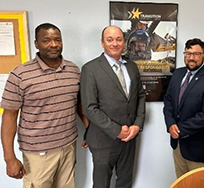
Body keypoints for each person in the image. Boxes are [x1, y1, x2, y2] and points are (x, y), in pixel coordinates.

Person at [1, 23, 88, 188]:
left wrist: (89, 129)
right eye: (46, 40)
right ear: (36, 43)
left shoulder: (73, 70)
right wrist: (9, 158)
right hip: (38, 153)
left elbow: (78, 104)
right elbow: (9, 116)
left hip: (68, 146)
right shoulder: (20, 75)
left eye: (57, 40)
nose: (53, 44)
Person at [80, 25, 146, 188]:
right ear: (102, 43)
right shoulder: (90, 69)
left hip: (130, 137)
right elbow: (89, 107)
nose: (114, 43)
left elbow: (140, 96)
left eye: (118, 39)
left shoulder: (131, 66)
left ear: (124, 42)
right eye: (110, 40)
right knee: (102, 184)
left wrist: (137, 125)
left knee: (125, 181)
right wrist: (117, 130)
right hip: (103, 139)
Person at [163, 38, 204, 178]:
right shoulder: (178, 74)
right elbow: (168, 100)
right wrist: (170, 123)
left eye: (196, 54)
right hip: (178, 145)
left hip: (200, 150)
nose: (191, 58)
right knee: (181, 183)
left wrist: (179, 129)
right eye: (188, 53)